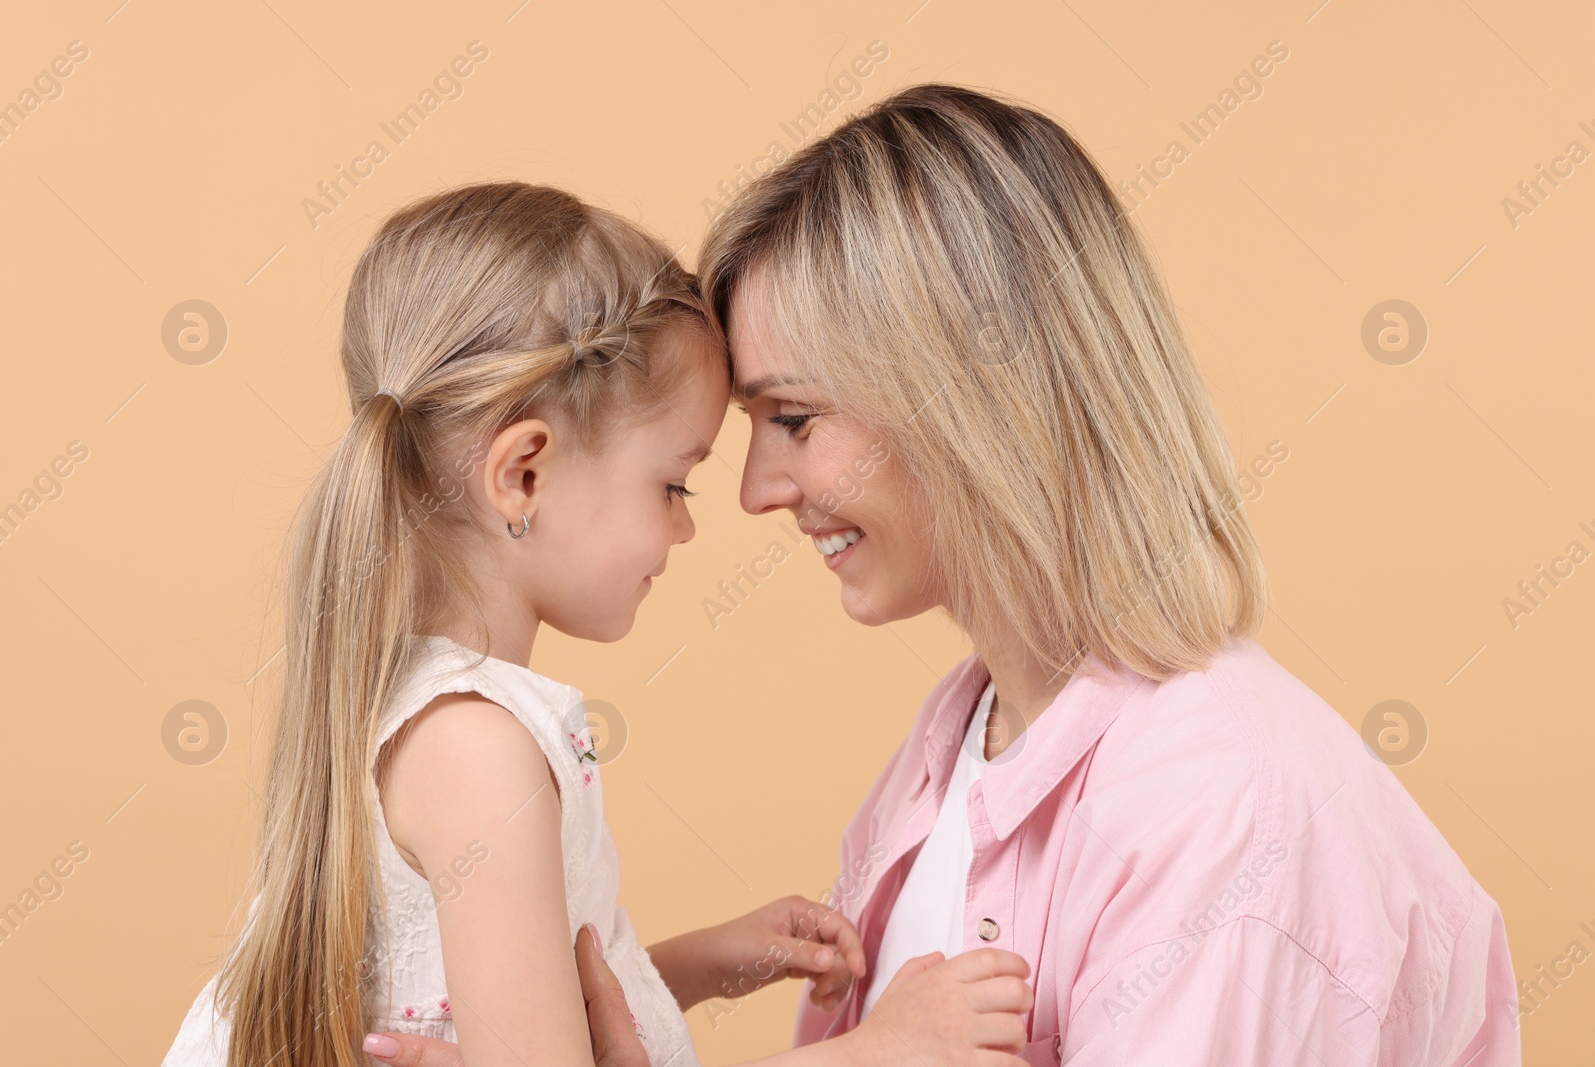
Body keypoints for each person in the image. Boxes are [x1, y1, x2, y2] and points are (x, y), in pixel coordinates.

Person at [366, 83, 1522, 1066]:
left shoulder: (1223, 809)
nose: (757, 491)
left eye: (794, 417)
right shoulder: (952, 748)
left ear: (975, 399)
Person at [160, 181, 1033, 1067]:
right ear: (525, 475)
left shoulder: (440, 715)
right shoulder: (478, 754)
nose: (691, 523)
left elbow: (520, 1007)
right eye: (673, 483)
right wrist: (881, 1050)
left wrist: (706, 961)